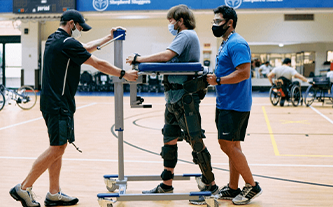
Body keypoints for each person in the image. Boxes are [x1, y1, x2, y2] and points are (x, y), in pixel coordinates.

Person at [9, 9, 138, 207]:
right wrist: (123, 74)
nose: (80, 31)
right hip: (59, 103)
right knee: (58, 148)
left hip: (52, 102)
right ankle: (24, 188)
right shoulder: (67, 42)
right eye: (79, 27)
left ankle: (53, 193)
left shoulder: (56, 39)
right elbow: (97, 63)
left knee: (58, 146)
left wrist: (108, 37)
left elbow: (84, 47)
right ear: (71, 23)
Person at [126, 4, 218, 205]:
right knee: (169, 140)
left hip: (184, 98)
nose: (170, 24)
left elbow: (166, 56)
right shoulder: (182, 38)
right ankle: (166, 184)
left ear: (180, 20)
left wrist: (138, 59)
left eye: (171, 21)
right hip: (173, 99)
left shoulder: (186, 35)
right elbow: (168, 61)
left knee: (195, 141)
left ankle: (210, 185)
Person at [206, 5, 262, 205]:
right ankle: (232, 187)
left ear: (230, 23)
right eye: (213, 21)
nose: (214, 25)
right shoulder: (226, 43)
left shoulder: (237, 43)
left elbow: (244, 72)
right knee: (233, 146)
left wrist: (218, 81)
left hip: (235, 104)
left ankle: (252, 185)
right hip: (226, 102)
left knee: (226, 145)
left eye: (217, 21)